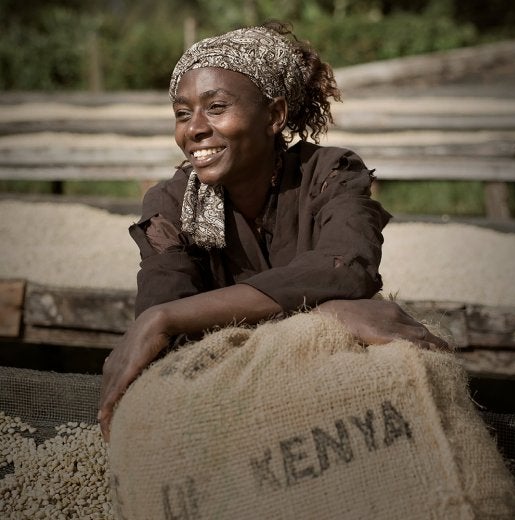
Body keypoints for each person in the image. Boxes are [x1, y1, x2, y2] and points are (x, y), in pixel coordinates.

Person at [98, 22, 448, 441]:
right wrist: (326, 313)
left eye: (216, 107)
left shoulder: (330, 173)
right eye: (182, 113)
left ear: (274, 115)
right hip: (226, 397)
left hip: (331, 389)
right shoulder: (170, 204)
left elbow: (344, 267)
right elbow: (170, 336)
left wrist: (165, 318)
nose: (193, 129)